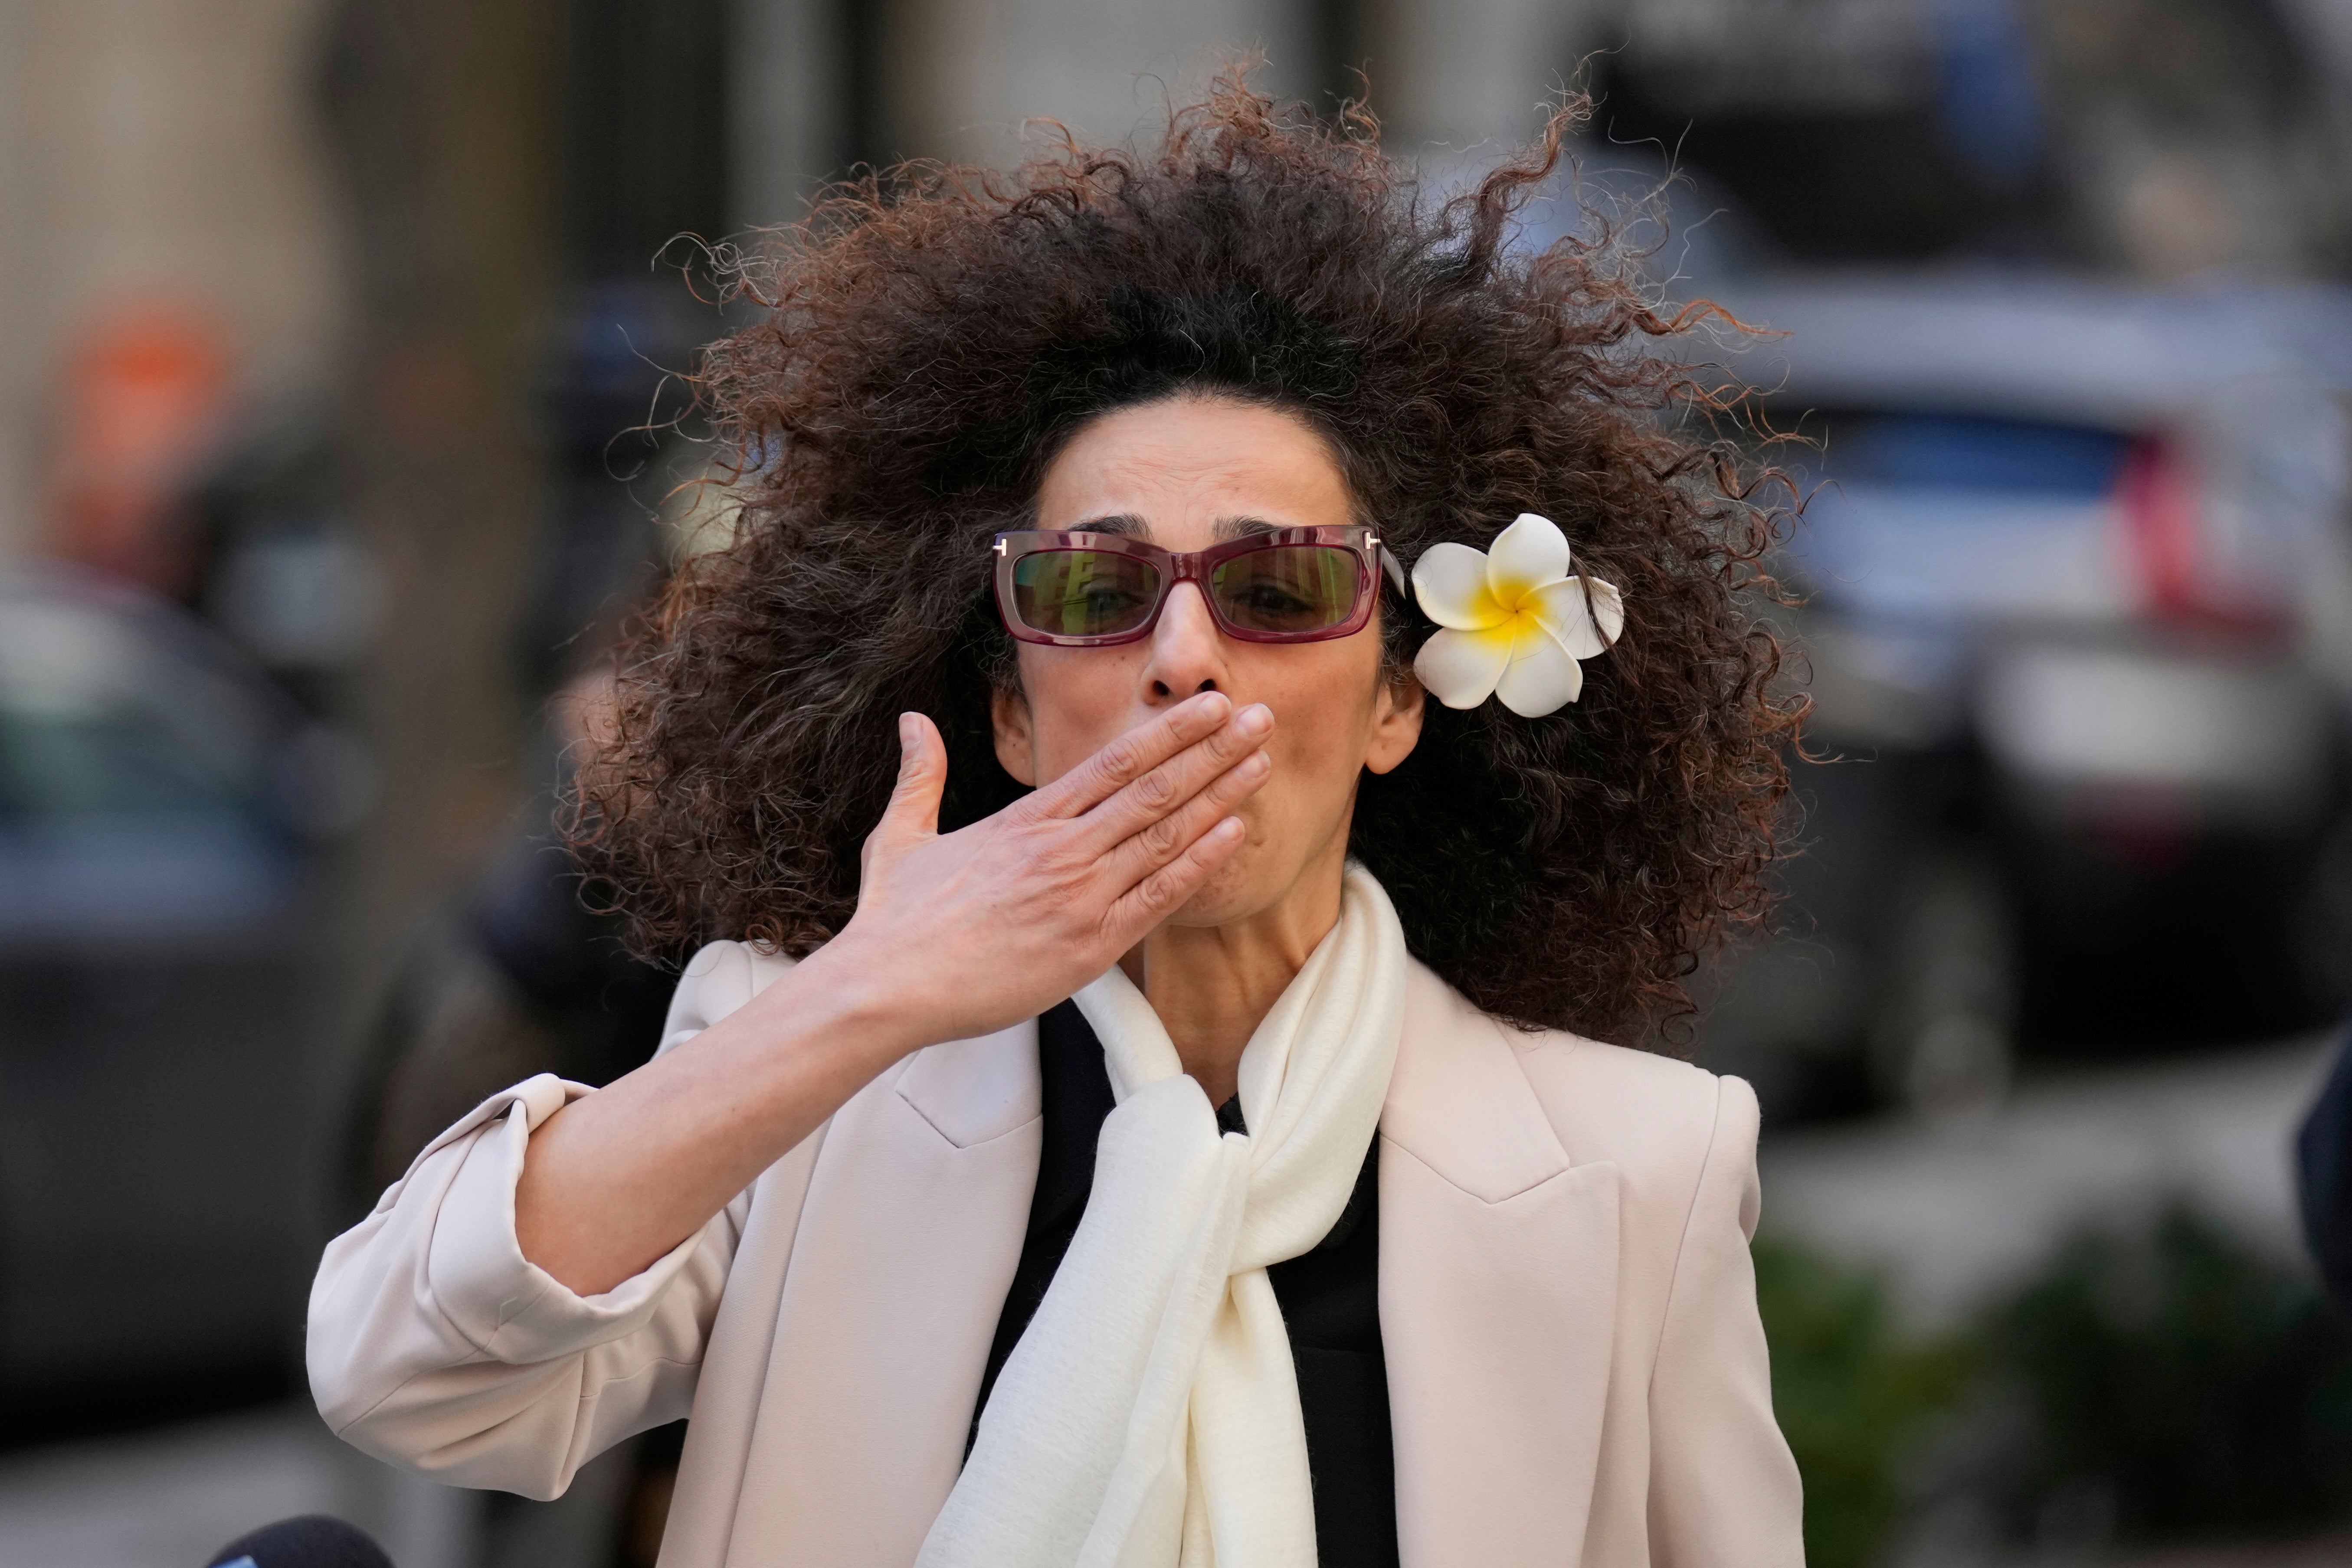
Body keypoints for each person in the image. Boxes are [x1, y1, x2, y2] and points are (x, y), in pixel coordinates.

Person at [308, 82, 1807, 1567]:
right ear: (1012, 716)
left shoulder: (1639, 1169)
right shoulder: (815, 1084)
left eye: (1278, 587)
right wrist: (867, 990)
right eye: (1094, 593)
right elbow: (400, 1371)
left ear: (1399, 702)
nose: (1183, 655)